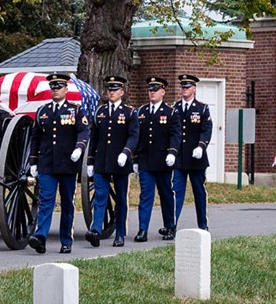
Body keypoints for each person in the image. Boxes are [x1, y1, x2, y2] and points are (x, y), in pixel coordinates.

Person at [27, 73, 89, 254]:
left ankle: (66, 240)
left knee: (67, 203)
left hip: (67, 164)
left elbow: (83, 132)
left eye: (59, 87)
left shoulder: (75, 110)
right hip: (47, 164)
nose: (56, 90)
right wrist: (33, 161)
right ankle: (40, 237)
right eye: (53, 87)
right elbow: (35, 138)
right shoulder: (43, 111)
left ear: (66, 89)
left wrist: (79, 148)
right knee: (46, 200)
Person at [86, 75, 138, 247]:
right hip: (102, 162)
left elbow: (133, 136)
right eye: (110, 89)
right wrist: (90, 162)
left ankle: (120, 234)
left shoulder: (129, 112)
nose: (112, 92)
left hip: (120, 162)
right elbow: (94, 139)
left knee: (121, 199)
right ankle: (95, 230)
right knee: (100, 196)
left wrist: (126, 152)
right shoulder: (100, 112)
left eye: (115, 89)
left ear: (122, 92)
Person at [133, 75, 180, 242]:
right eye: (150, 90)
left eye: (155, 90)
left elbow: (175, 135)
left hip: (163, 161)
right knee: (146, 195)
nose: (152, 93)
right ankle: (142, 229)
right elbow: (137, 137)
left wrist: (172, 153)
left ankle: (170, 226)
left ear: (163, 92)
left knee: (166, 194)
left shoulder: (171, 112)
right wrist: (135, 159)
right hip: (146, 161)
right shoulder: (141, 112)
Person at [172, 73, 212, 231]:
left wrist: (201, 146)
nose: (184, 89)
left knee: (199, 193)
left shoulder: (202, 108)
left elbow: (206, 130)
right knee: (176, 192)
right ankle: (172, 225)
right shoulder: (174, 108)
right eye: (182, 86)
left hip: (196, 158)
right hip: (179, 158)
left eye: (187, 87)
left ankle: (203, 224)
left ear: (194, 89)